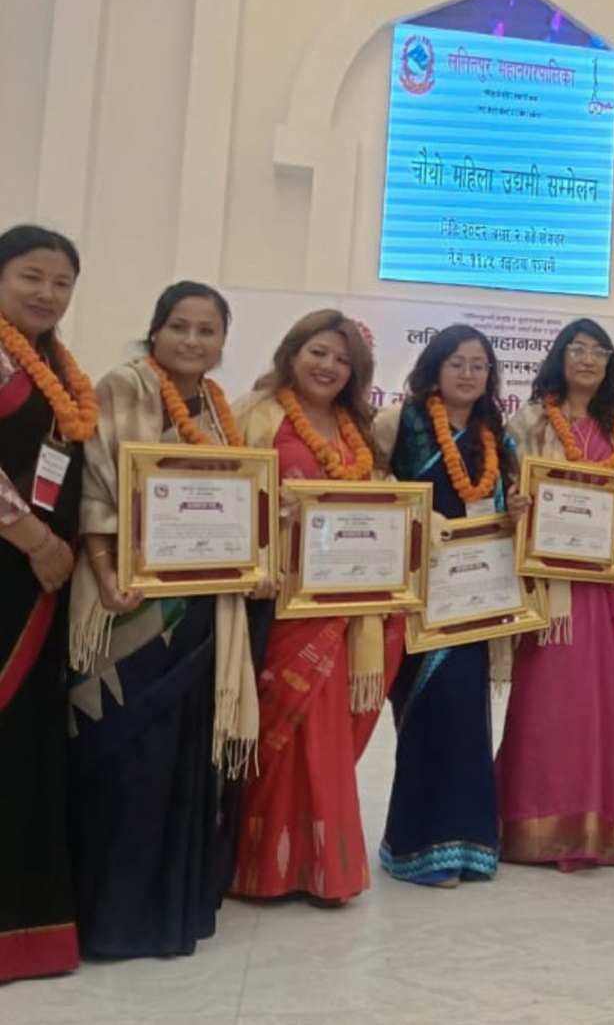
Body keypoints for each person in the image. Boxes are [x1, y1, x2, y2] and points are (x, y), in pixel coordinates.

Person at [67, 282, 266, 959]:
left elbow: (232, 492)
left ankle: (166, 911)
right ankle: (111, 917)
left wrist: (263, 539)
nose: (192, 340)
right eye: (179, 326)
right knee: (125, 756)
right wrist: (102, 566)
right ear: (155, 331)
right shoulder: (123, 385)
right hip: (130, 601)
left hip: (203, 602)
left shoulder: (214, 403)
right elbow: (99, 483)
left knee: (182, 759)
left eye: (207, 331)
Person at [231, 310, 404, 905]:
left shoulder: (361, 425)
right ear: (292, 350)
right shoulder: (255, 414)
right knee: (281, 733)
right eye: (319, 352)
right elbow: (224, 487)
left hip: (347, 606)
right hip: (277, 603)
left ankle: (320, 867)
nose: (329, 366)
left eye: (342, 359)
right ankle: (261, 868)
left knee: (327, 738)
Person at [374, 325, 515, 886]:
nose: (467, 373)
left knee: (468, 720)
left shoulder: (494, 436)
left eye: (478, 364)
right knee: (426, 716)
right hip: (421, 596)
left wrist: (520, 506)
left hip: (476, 597)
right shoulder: (402, 422)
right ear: (435, 367)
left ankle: (469, 847)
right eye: (456, 362)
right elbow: (374, 482)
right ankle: (416, 849)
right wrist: (415, 512)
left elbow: (500, 502)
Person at [499, 318, 614, 869]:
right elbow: (503, 487)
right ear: (560, 356)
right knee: (546, 705)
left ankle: (593, 825)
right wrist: (512, 503)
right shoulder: (530, 419)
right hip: (550, 588)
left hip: (599, 588)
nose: (587, 360)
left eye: (598, 352)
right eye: (577, 349)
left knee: (598, 702)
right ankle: (532, 822)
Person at [0, 226, 91, 983]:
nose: (47, 294)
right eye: (33, 276)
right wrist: (32, 537)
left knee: (29, 748)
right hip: (14, 567)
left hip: (46, 584)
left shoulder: (61, 367)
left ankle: (30, 934)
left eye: (62, 283)